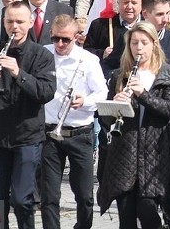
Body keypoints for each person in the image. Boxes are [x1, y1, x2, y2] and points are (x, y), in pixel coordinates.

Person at [0, 0, 57, 228]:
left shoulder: (41, 56)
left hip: (27, 137)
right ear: (3, 23)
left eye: (19, 22)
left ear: (29, 23)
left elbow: (46, 92)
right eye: (9, 21)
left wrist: (18, 73)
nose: (14, 26)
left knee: (22, 199)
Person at [96, 21, 170, 229]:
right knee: (126, 216)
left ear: (154, 44)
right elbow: (106, 120)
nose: (139, 48)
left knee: (147, 211)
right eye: (134, 43)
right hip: (125, 153)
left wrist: (143, 94)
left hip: (155, 153)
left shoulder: (167, 73)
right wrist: (115, 104)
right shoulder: (119, 75)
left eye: (144, 42)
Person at [41, 14, 108, 229]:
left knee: (84, 195)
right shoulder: (43, 54)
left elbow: (102, 93)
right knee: (49, 195)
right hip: (49, 132)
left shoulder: (88, 60)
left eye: (66, 40)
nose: (60, 44)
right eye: (56, 39)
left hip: (80, 133)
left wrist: (85, 101)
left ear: (76, 37)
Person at [84, 0, 144, 79]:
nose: (129, 7)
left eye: (134, 3)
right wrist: (102, 53)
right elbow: (86, 53)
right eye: (125, 2)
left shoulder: (149, 27)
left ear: (142, 4)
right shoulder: (100, 25)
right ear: (118, 2)